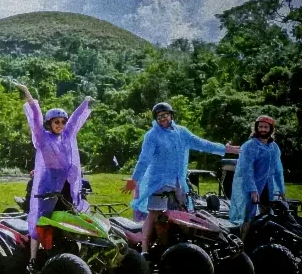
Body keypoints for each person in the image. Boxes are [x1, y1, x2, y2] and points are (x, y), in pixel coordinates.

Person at [122, 102, 240, 258]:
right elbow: (143, 160)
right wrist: (134, 180)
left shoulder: (182, 132)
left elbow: (202, 144)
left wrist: (226, 149)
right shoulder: (152, 135)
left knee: (181, 213)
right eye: (159, 117)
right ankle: (144, 250)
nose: (162, 119)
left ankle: (178, 246)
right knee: (154, 213)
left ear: (171, 115)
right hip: (159, 181)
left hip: (179, 181)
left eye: (165, 115)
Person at [13, 82, 92, 274]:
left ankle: (71, 254)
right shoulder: (42, 138)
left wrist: (85, 103)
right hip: (48, 184)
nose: (61, 125)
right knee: (41, 221)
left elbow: (75, 121)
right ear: (50, 123)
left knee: (71, 218)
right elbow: (35, 118)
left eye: (62, 122)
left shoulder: (66, 136)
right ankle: (32, 259)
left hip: (66, 185)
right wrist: (28, 94)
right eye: (56, 122)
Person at [229, 115, 286, 239]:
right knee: (248, 216)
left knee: (267, 215)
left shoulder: (274, 147)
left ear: (271, 129)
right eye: (260, 127)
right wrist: (253, 189)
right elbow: (246, 170)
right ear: (256, 128)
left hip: (268, 187)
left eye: (266, 127)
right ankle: (241, 245)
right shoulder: (249, 146)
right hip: (251, 187)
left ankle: (260, 242)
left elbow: (278, 169)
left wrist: (281, 189)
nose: (263, 129)